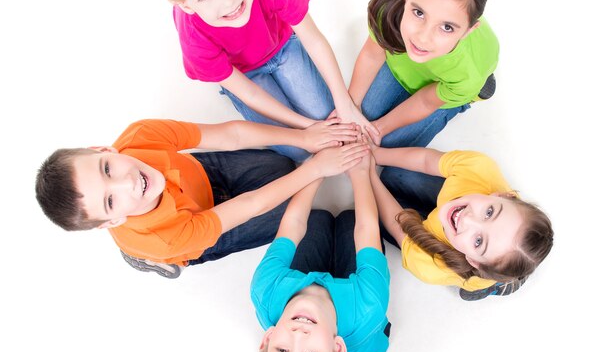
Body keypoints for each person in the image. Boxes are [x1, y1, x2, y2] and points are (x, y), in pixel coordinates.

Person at [35, 118, 365, 278]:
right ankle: (143, 258)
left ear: (104, 149)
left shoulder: (139, 137)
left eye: (108, 168)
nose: (127, 183)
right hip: (196, 232)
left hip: (201, 174)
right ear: (113, 221)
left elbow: (228, 134)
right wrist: (316, 169)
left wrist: (305, 138)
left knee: (281, 163)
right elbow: (249, 205)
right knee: (300, 212)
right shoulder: (165, 239)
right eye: (110, 201)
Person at [157, 0, 375, 162]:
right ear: (186, 6)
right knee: (298, 149)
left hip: (282, 48)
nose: (229, 1)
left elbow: (313, 40)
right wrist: (309, 126)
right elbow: (249, 93)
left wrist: (344, 102)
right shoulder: (193, 37)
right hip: (246, 75)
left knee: (328, 114)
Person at [251, 145, 390, 352]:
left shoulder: (265, 291)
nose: (298, 337)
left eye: (281, 349)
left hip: (315, 293)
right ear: (338, 348)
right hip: (357, 329)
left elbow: (292, 224)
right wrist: (361, 172)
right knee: (352, 219)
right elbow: (366, 229)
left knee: (318, 218)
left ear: (267, 338)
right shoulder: (369, 307)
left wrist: (316, 166)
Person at [349, 0, 498, 148]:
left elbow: (427, 101)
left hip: (449, 82)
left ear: (468, 31)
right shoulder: (389, 8)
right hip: (405, 66)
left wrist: (379, 129)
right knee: (366, 113)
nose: (423, 38)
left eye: (446, 27)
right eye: (419, 13)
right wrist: (350, 106)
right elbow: (372, 55)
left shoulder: (467, 73)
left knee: (390, 142)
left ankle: (469, 96)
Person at [369, 145, 553, 300]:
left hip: (473, 270)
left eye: (479, 241)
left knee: (377, 215)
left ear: (473, 260)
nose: (468, 219)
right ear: (504, 195)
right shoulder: (480, 169)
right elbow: (426, 160)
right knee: (394, 175)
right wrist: (374, 153)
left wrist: (368, 174)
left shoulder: (431, 265)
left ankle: (497, 285)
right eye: (489, 212)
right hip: (463, 206)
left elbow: (396, 225)